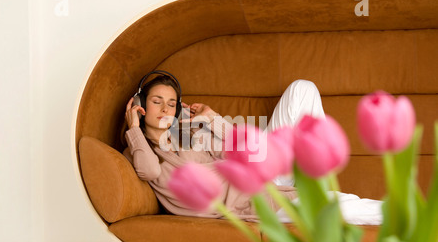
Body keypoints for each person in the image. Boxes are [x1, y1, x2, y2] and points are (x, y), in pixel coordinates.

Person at [122, 73, 382, 224]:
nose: (166, 108)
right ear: (140, 105)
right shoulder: (139, 149)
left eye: (171, 103)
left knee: (302, 90)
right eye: (157, 102)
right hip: (253, 201)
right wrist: (134, 129)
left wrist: (212, 119)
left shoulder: (186, 134)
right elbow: (149, 170)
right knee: (335, 206)